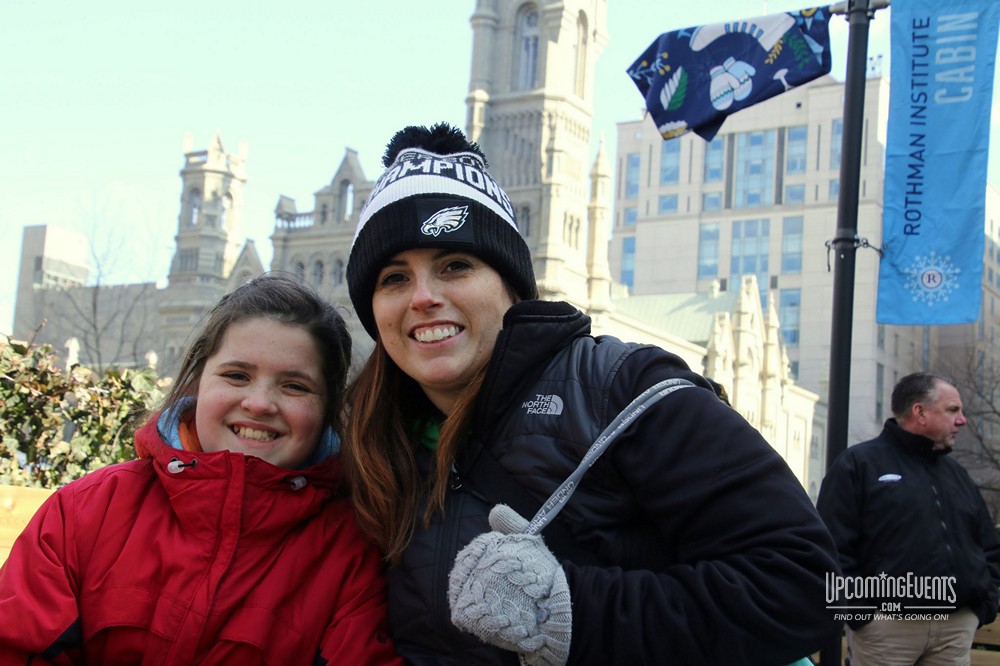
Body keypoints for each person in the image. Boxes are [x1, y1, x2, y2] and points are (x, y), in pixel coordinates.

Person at [341, 122, 842, 665]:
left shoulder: (624, 391)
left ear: (511, 286)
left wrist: (573, 609)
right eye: (394, 277)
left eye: (455, 265)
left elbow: (807, 583)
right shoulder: (369, 446)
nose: (423, 297)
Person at [0, 275, 402, 665]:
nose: (259, 403)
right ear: (197, 382)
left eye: (294, 386)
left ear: (328, 408)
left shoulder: (351, 555)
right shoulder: (86, 511)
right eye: (237, 376)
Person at [818, 372, 1000, 666]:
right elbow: (829, 547)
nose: (962, 420)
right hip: (886, 631)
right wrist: (861, 614)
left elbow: (988, 546)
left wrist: (982, 607)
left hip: (955, 630)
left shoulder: (957, 475)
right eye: (953, 410)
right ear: (920, 412)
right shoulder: (859, 464)